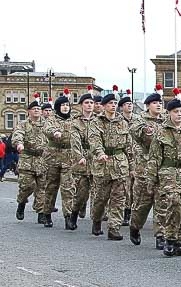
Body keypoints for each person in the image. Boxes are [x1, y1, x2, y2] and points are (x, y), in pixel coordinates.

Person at [147, 89, 181, 256]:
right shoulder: (161, 131)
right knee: (173, 204)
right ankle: (168, 239)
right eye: (176, 112)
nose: (179, 115)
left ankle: (178, 241)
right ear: (169, 113)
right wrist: (151, 179)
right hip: (168, 173)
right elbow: (154, 157)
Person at [88, 90, 132, 239]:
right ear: (104, 106)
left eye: (115, 104)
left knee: (119, 198)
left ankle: (114, 228)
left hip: (120, 164)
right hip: (103, 165)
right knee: (101, 198)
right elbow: (94, 141)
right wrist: (100, 153)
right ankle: (96, 220)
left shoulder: (123, 123)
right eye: (110, 104)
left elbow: (129, 145)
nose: (113, 106)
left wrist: (131, 164)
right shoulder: (96, 122)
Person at [129, 85, 166, 248]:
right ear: (148, 105)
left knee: (162, 204)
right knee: (142, 205)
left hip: (163, 169)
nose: (158, 105)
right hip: (144, 169)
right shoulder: (140, 120)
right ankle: (135, 227)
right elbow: (134, 131)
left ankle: (161, 236)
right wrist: (146, 131)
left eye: (160, 103)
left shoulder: (167, 120)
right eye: (155, 103)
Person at [42, 88, 77, 230]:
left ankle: (68, 217)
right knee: (51, 187)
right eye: (63, 105)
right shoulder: (51, 119)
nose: (65, 107)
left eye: (67, 105)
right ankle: (47, 214)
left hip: (69, 157)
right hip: (53, 157)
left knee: (68, 188)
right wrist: (54, 132)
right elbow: (47, 129)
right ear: (58, 107)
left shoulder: (74, 120)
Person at [12, 93, 47, 223]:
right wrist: (19, 143)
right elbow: (17, 134)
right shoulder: (23, 124)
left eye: (38, 109)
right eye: (34, 109)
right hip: (27, 159)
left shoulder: (46, 124)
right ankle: (21, 203)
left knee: (42, 188)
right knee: (27, 186)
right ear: (29, 111)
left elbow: (52, 133)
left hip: (42, 160)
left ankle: (41, 213)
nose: (37, 110)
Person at [69, 88, 96, 228]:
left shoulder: (99, 121)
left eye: (91, 102)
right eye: (86, 102)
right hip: (83, 160)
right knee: (81, 193)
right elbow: (75, 142)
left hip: (97, 160)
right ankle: (73, 214)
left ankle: (96, 223)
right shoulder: (76, 122)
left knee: (98, 194)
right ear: (81, 105)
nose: (89, 105)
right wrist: (79, 156)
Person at [118, 89, 137, 227]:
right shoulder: (118, 121)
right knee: (126, 186)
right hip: (124, 156)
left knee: (138, 187)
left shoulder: (138, 119)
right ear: (122, 107)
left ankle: (135, 212)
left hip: (139, 157)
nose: (129, 105)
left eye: (131, 103)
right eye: (127, 104)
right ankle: (126, 211)